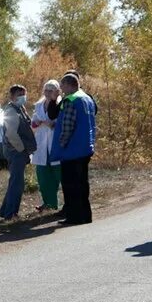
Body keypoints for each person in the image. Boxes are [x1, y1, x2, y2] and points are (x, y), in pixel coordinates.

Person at [50, 72, 97, 226]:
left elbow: (67, 126)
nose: (61, 89)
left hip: (72, 150)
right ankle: (86, 215)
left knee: (71, 185)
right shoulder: (87, 98)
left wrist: (61, 143)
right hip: (85, 147)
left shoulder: (71, 100)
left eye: (62, 85)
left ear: (69, 85)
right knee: (83, 183)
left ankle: (74, 217)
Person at [0, 84, 36, 219]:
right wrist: (22, 149)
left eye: (24, 94)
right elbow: (11, 134)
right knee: (17, 184)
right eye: (20, 95)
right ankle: (11, 214)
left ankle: (5, 211)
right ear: (12, 96)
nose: (23, 97)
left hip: (18, 151)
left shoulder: (20, 108)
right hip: (16, 152)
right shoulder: (11, 111)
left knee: (15, 182)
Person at [30, 80, 62, 213]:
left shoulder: (61, 104)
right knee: (43, 176)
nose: (48, 93)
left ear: (57, 91)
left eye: (51, 90)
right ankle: (48, 203)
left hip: (55, 144)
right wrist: (37, 122)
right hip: (42, 144)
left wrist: (49, 123)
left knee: (58, 175)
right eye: (46, 90)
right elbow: (33, 124)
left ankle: (65, 204)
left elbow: (60, 123)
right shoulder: (38, 105)